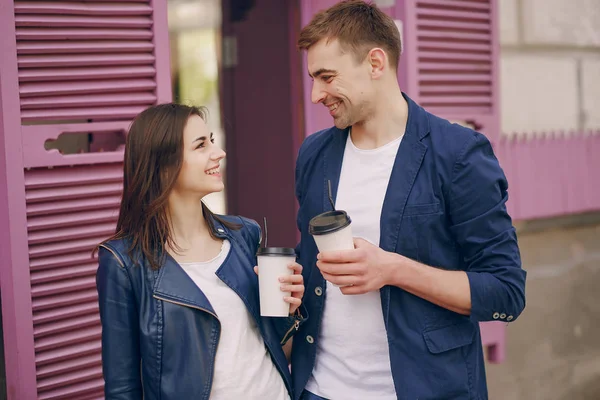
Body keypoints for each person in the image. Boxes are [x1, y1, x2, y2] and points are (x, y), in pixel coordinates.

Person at [291, 1, 527, 399]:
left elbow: (505, 292)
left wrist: (393, 269)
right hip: (319, 390)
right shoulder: (313, 154)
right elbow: (310, 268)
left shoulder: (458, 154)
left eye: (327, 77)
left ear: (376, 63)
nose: (316, 94)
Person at [96, 103, 305, 400]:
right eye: (201, 145)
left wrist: (290, 311)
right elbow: (122, 387)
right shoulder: (123, 263)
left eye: (213, 141)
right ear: (163, 164)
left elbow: (277, 349)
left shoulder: (244, 234)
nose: (218, 153)